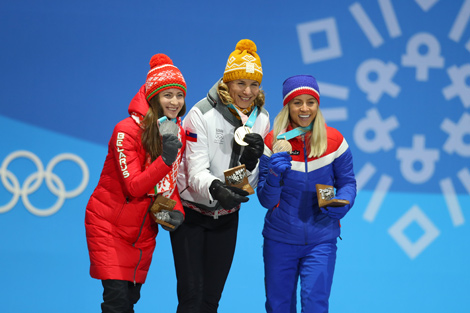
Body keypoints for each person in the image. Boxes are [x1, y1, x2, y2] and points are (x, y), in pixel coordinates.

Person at [171, 39, 270, 312]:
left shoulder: (262, 119)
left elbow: (248, 180)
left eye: (254, 84)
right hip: (191, 215)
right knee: (191, 300)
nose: (247, 92)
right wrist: (217, 190)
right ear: (227, 82)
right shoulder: (201, 113)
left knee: (210, 301)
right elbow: (194, 172)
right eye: (240, 83)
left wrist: (251, 163)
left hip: (227, 218)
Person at [85, 53, 187, 313]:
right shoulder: (126, 130)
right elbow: (134, 186)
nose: (175, 102)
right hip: (109, 226)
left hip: (142, 233)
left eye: (179, 95)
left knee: (130, 300)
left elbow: (169, 183)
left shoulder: (178, 131)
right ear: (154, 97)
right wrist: (165, 158)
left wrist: (176, 210)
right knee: (116, 303)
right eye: (168, 95)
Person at [256, 75, 357, 313]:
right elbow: (266, 200)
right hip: (280, 239)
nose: (304, 108)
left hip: (321, 239)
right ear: (287, 106)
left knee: (315, 306)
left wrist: (343, 203)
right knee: (278, 306)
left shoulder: (335, 141)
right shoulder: (272, 142)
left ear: (317, 105)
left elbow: (348, 183)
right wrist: (273, 175)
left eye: (310, 102)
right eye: (297, 102)